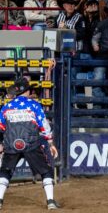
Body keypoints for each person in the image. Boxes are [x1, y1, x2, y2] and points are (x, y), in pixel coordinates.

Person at [0, 77, 59, 210]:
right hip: (31, 143)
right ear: (27, 91)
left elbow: (0, 127)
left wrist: (1, 144)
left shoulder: (6, 107)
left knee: (5, 171)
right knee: (46, 171)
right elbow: (44, 125)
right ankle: (50, 201)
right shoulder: (34, 105)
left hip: (11, 143)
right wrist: (50, 142)